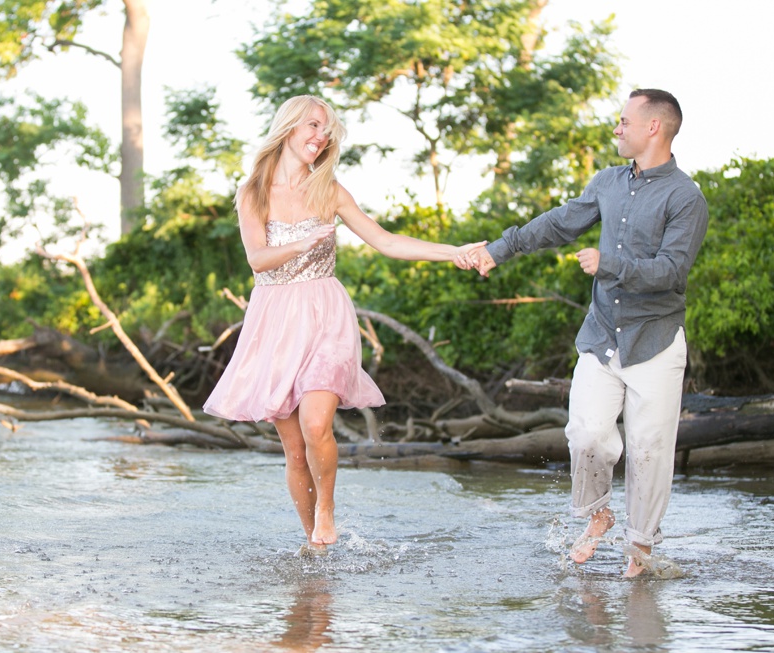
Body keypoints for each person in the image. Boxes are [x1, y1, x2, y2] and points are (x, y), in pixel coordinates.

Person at [204, 95, 483, 553]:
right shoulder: (252, 190)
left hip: (324, 314)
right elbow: (257, 258)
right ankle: (313, 543)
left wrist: (454, 252)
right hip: (274, 322)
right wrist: (300, 244)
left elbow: (386, 241)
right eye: (313, 125)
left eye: (327, 129)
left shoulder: (329, 190)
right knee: (295, 449)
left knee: (317, 426)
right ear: (289, 127)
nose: (321, 136)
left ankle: (328, 514)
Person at [465, 89, 708, 577]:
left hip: (656, 342)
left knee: (649, 451)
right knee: (588, 434)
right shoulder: (607, 182)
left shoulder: (686, 196)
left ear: (653, 127)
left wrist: (609, 264)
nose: (616, 130)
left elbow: (672, 272)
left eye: (624, 122)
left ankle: (640, 550)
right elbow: (558, 224)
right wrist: (500, 248)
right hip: (601, 337)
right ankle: (598, 513)